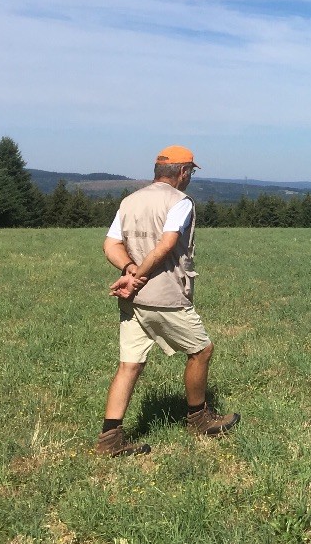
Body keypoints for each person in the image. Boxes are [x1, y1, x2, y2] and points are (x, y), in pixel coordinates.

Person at [96, 145, 240, 457]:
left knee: (129, 365)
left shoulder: (130, 200)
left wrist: (129, 270)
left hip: (133, 301)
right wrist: (138, 276)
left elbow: (111, 243)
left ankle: (109, 438)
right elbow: (166, 245)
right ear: (183, 172)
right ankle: (199, 419)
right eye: (191, 171)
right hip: (166, 296)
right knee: (202, 350)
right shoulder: (180, 202)